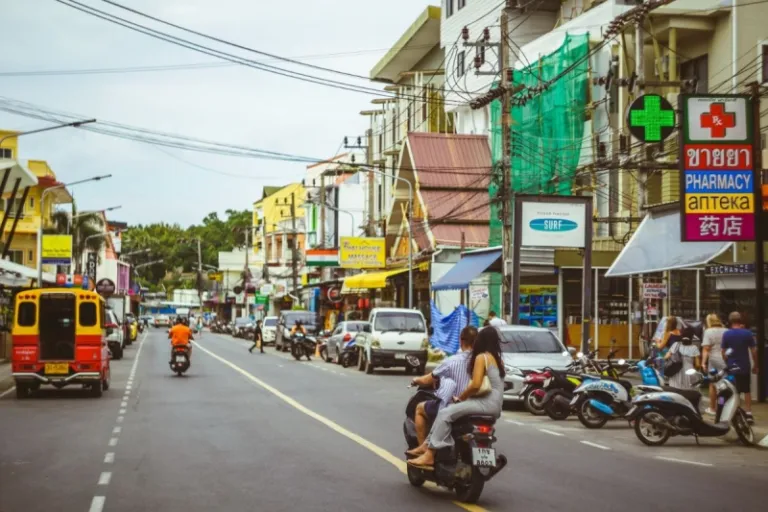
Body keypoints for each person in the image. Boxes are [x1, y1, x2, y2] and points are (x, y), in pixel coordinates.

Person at [407, 326, 505, 468]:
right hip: (496, 407)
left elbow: (476, 385)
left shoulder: (481, 357)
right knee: (450, 411)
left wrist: (461, 397)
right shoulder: (498, 360)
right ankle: (429, 446)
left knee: (445, 413)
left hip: (485, 404)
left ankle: (429, 453)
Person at [406, 326, 477, 452]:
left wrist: (416, 380)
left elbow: (428, 379)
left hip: (453, 407)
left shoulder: (451, 362)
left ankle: (424, 450)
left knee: (420, 409)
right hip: (477, 408)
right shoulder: (482, 361)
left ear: (461, 340)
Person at [722, 312, 758, 424]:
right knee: (746, 389)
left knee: (734, 390)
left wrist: (727, 361)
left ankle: (736, 411)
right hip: (744, 365)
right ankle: (748, 413)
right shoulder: (748, 333)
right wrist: (756, 365)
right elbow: (753, 351)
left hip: (732, 366)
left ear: (730, 321)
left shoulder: (726, 334)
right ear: (740, 320)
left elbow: (723, 352)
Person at [701, 313, 727, 415]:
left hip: (714, 360)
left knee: (713, 384)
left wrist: (703, 363)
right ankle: (722, 405)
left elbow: (706, 349)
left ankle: (713, 408)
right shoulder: (726, 331)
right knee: (723, 384)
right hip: (725, 359)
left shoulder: (708, 331)